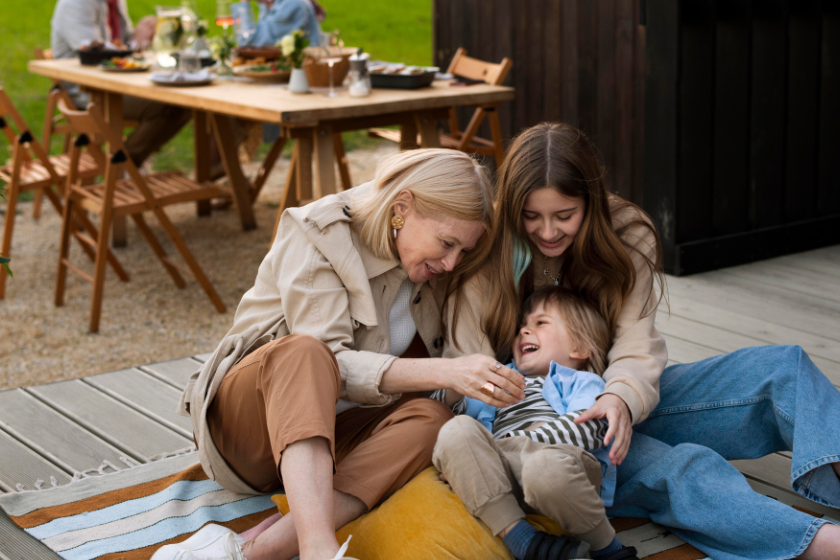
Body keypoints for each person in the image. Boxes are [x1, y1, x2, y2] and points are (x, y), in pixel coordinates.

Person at [452, 122, 840, 559]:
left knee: (783, 367)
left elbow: (637, 346)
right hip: (555, 436)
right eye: (531, 217)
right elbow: (469, 369)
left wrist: (619, 398)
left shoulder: (624, 232)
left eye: (564, 216)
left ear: (591, 203)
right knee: (679, 470)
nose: (547, 232)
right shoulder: (486, 250)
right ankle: (819, 544)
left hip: (618, 397)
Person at [157, 148, 532, 560]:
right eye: (446, 244)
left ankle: (255, 550)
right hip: (246, 435)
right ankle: (320, 550)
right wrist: (447, 372)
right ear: (402, 208)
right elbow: (331, 363)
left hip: (335, 443)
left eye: (462, 250)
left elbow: (467, 350)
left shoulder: (445, 260)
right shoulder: (320, 231)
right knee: (307, 352)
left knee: (434, 420)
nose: (451, 261)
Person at [432, 287, 639, 560]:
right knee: (455, 431)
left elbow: (589, 426)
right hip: (501, 476)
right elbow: (442, 409)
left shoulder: (581, 381)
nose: (524, 331)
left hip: (561, 472)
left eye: (540, 323)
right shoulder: (497, 378)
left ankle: (608, 549)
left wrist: (521, 443)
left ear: (579, 348)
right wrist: (458, 384)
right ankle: (522, 538)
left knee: (543, 468)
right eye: (522, 326)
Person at [50, 0, 191, 166]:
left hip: (114, 86)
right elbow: (94, 52)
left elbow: (119, 43)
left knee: (182, 101)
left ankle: (124, 164)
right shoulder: (76, 4)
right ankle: (124, 164)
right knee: (171, 106)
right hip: (90, 92)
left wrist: (141, 35)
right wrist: (134, 43)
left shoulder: (114, 2)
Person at [239, 0, 322, 47]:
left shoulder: (293, 4)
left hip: (304, 70)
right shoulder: (268, 5)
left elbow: (249, 40)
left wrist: (244, 4)